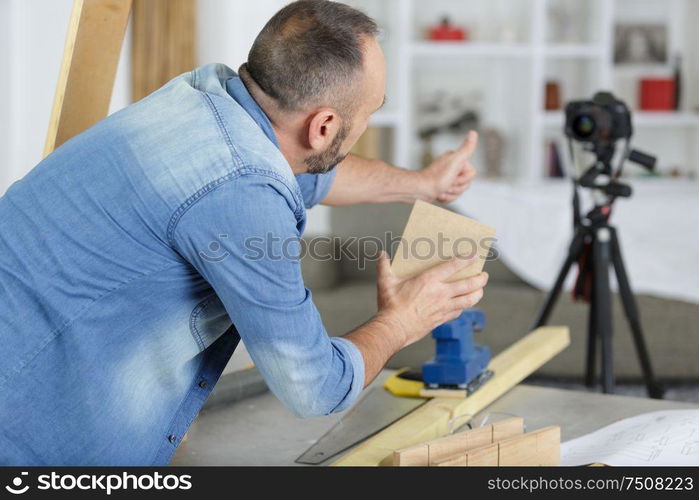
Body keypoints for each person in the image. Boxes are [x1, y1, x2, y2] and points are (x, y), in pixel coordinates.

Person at [0, 0, 487, 465]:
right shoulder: (242, 194)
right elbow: (313, 387)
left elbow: (311, 171)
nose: (370, 121)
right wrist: (403, 321)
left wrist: (422, 184)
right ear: (323, 126)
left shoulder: (204, 98)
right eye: (371, 111)